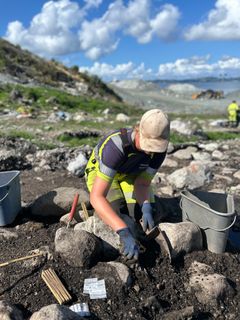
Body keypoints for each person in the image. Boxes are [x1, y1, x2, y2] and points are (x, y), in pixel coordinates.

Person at [85, 109, 170, 261]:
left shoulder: (160, 151)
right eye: (148, 144)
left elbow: (142, 183)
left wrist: (146, 207)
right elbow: (97, 196)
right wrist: (122, 231)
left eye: (155, 147)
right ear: (139, 130)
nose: (150, 151)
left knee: (141, 215)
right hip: (101, 174)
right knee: (117, 213)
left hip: (130, 174)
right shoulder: (115, 147)